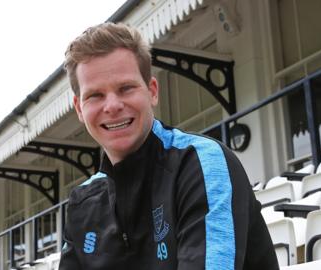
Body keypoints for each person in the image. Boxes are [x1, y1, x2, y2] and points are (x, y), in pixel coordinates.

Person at [59, 22, 278, 270]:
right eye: (95, 95)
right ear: (79, 108)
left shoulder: (202, 163)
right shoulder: (82, 201)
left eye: (126, 88)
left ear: (152, 91)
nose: (112, 106)